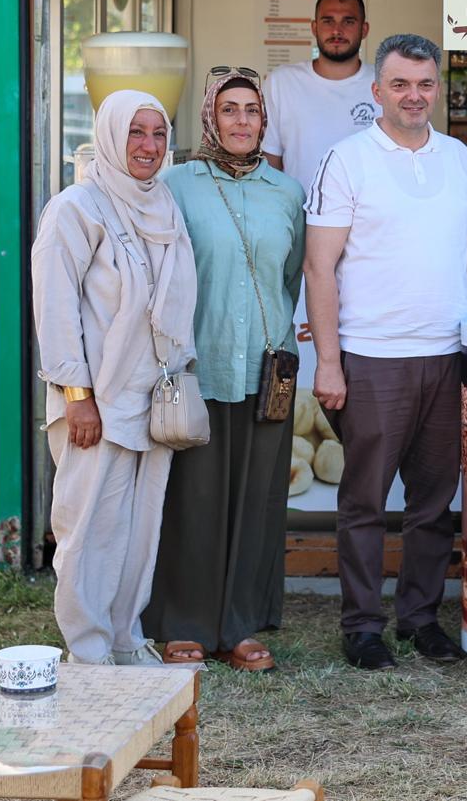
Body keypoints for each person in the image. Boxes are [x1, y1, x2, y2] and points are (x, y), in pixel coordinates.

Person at [305, 33, 467, 669]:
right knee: (363, 502)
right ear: (376, 91)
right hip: (373, 355)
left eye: (426, 84)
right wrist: (329, 361)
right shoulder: (346, 159)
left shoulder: (460, 157)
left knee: (435, 502)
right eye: (401, 84)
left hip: (447, 351)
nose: (414, 96)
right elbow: (319, 267)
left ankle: (419, 618)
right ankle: (362, 626)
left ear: (439, 88)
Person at [142, 68, 306, 672]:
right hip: (197, 365)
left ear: (266, 121)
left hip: (269, 371)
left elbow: (289, 278)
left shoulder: (286, 193)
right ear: (211, 116)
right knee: (194, 497)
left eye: (252, 110)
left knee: (257, 499)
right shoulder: (176, 185)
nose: (242, 121)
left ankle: (239, 626)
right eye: (230, 109)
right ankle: (183, 623)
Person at [32, 90, 197, 666]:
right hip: (95, 402)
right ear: (108, 136)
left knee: (138, 529)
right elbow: (55, 309)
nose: (148, 146)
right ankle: (88, 650)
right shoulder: (77, 207)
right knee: (88, 531)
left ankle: (125, 639)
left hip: (152, 400)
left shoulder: (165, 206)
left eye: (158, 133)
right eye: (135, 132)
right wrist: (76, 396)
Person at [262, 0, 379, 190]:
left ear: (364, 29)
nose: (337, 30)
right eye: (328, 21)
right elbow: (270, 161)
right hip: (300, 216)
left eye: (348, 21)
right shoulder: (281, 82)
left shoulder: (384, 84)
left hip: (368, 217)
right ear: (314, 27)